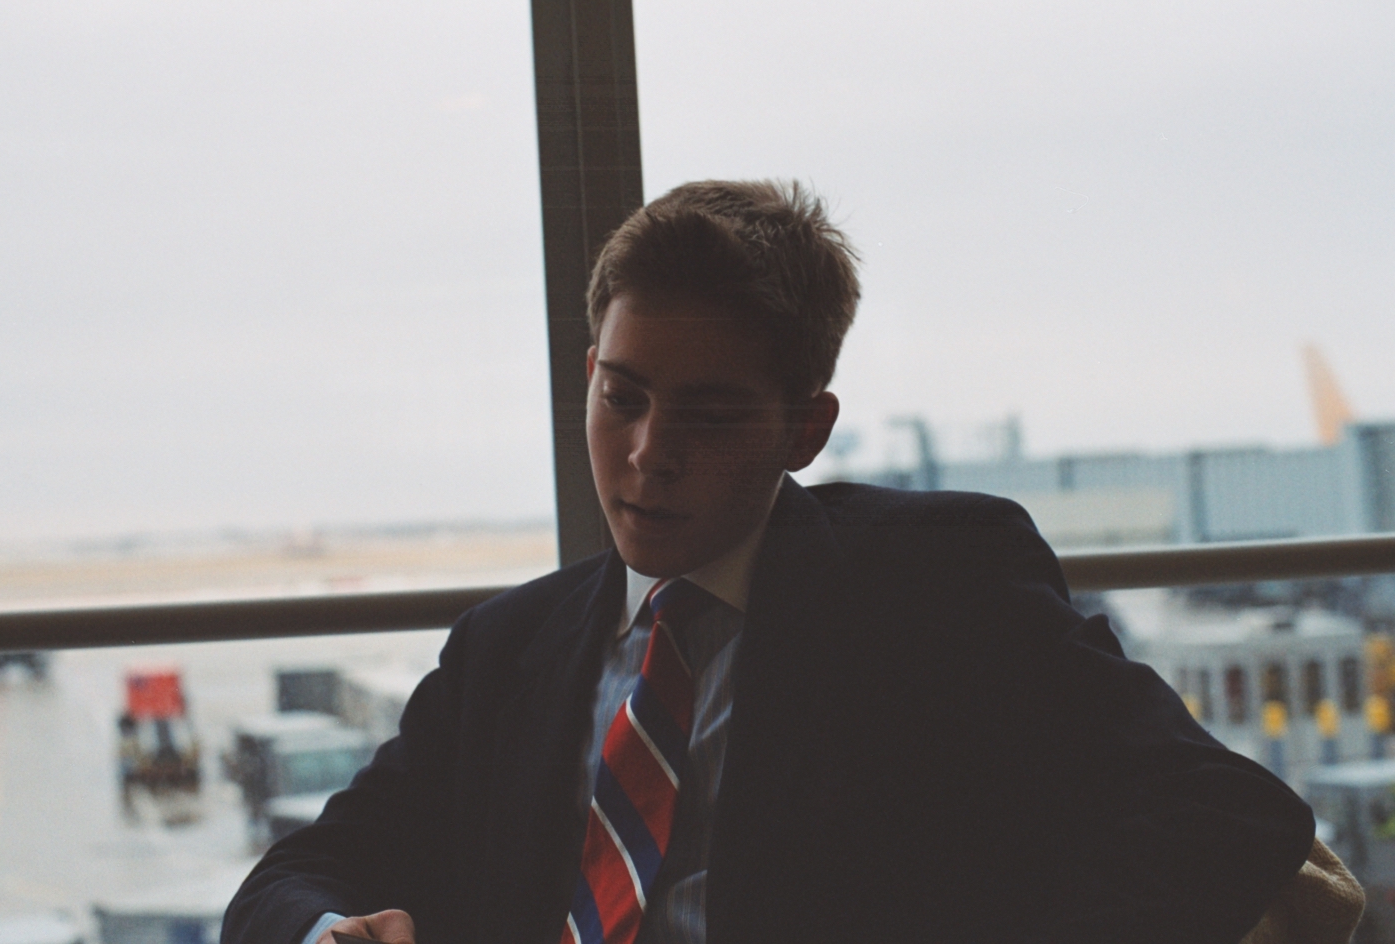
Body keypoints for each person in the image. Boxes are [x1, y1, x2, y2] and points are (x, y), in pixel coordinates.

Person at [224, 180, 1324, 944]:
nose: (649, 455)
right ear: (590, 369)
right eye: (623, 396)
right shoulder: (508, 648)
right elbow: (291, 879)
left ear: (806, 428)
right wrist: (328, 929)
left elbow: (1228, 812)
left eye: (706, 412)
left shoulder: (941, 587)